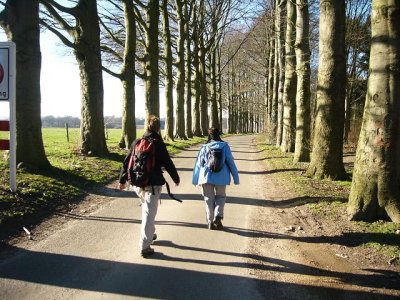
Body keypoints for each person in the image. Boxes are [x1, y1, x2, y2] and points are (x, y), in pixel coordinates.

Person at [118, 115, 180, 258]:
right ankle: (144, 246)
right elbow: (167, 162)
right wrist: (175, 178)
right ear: (158, 127)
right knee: (148, 214)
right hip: (153, 184)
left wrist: (122, 180)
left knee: (147, 211)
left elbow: (127, 161)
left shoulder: (137, 141)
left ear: (146, 126)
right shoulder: (158, 143)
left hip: (137, 183)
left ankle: (150, 234)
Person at [192, 128, 239, 230]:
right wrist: (236, 178)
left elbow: (198, 164)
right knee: (221, 197)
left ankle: (210, 221)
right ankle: (218, 216)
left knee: (208, 199)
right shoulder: (225, 146)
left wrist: (195, 180)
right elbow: (230, 162)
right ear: (219, 135)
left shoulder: (204, 147)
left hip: (206, 177)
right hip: (222, 177)